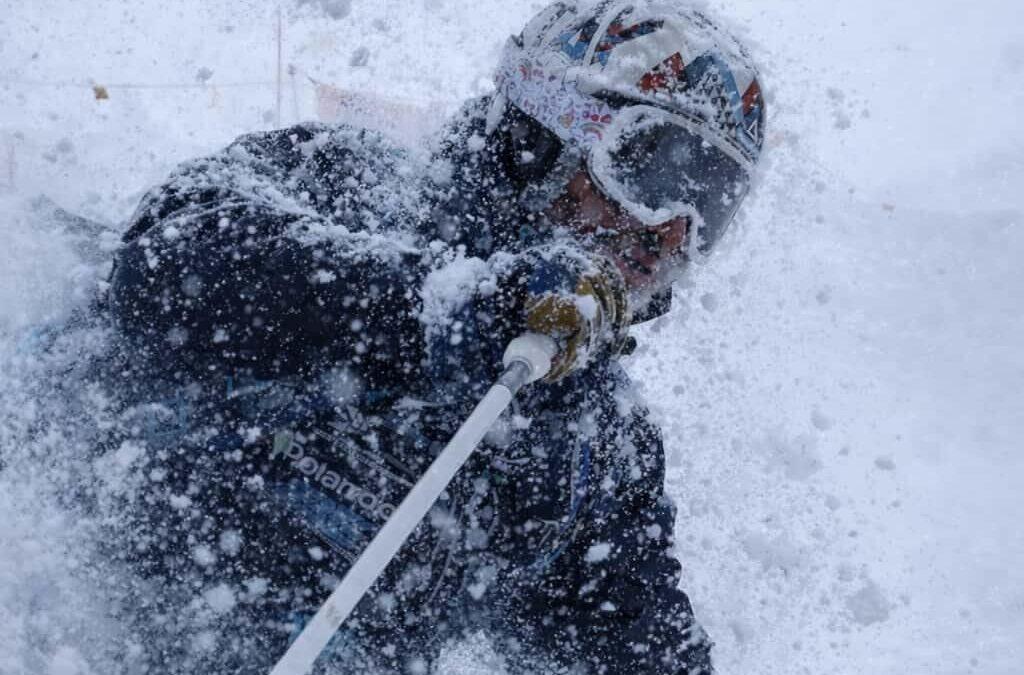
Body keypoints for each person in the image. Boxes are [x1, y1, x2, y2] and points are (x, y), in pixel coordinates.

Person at [100, 1, 765, 673]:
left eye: (712, 202)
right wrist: (446, 315)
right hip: (79, 595)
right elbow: (159, 268)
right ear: (541, 140)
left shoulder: (594, 441)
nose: (674, 231)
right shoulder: (354, 184)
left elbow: (638, 645)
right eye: (655, 171)